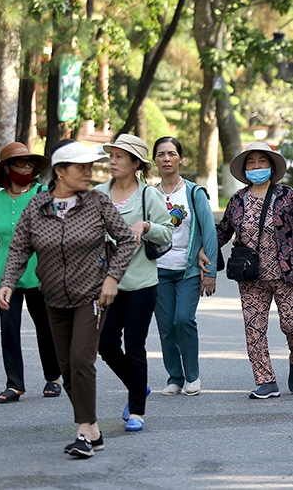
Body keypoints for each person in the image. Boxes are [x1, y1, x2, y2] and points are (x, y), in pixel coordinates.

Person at [0, 140, 136, 457]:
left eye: (90, 167)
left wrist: (112, 279)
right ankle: (94, 430)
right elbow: (20, 248)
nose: (89, 173)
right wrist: (7, 283)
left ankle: (83, 433)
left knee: (81, 362)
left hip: (92, 296)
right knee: (67, 366)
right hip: (54, 300)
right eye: (81, 168)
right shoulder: (37, 206)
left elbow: (126, 240)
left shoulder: (97, 203)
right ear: (60, 172)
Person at [217, 141, 293, 398]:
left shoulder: (288, 197)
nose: (256, 166)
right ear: (245, 169)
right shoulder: (238, 200)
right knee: (254, 329)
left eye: (262, 161)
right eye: (251, 162)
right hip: (250, 277)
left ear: (271, 167)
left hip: (288, 275)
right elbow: (223, 231)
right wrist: (203, 249)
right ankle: (266, 381)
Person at [95, 134, 174, 432]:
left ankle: (137, 409)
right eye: (111, 155)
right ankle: (138, 385)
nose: (112, 161)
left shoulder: (147, 196)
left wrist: (146, 225)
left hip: (142, 283)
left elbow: (167, 233)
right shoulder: (99, 194)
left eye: (119, 156)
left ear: (135, 163)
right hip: (107, 285)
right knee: (105, 345)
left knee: (135, 345)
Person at [0, 143, 62, 404]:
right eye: (20, 163)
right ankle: (15, 385)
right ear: (7, 169)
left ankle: (53, 377)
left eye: (29, 163)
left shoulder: (44, 196)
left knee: (45, 327)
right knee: (9, 330)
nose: (26, 168)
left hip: (39, 275)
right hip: (5, 278)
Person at [152, 137, 218, 397]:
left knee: (183, 319)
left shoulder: (194, 192)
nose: (166, 159)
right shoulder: (150, 194)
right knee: (166, 325)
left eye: (171, 154)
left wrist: (210, 273)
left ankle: (192, 376)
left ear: (180, 158)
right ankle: (174, 378)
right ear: (155, 160)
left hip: (188, 269)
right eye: (161, 155)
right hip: (158, 270)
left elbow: (209, 233)